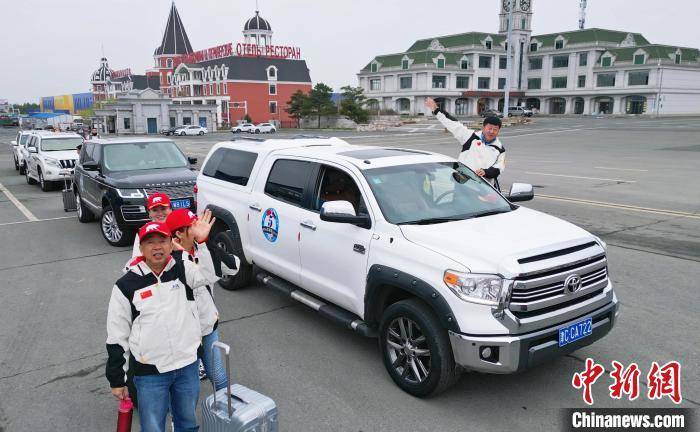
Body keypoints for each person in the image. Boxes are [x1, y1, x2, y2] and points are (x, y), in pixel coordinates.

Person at [106, 219, 218, 432]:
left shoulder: (183, 269)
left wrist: (203, 242)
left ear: (170, 243)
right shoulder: (125, 285)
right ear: (141, 248)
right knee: (153, 427)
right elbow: (116, 335)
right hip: (150, 373)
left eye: (162, 241)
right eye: (150, 242)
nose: (157, 247)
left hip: (187, 366)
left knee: (187, 424)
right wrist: (117, 379)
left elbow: (209, 275)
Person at [166, 209, 239, 392]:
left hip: (207, 324)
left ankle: (226, 415)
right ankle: (183, 419)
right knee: (187, 384)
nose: (199, 227)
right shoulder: (167, 261)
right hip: (183, 332)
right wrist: (181, 254)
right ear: (178, 234)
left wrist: (208, 243)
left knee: (218, 374)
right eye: (193, 226)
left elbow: (234, 267)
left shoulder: (204, 248)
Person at [425, 97, 506, 190]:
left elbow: (499, 168)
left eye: (495, 129)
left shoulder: (500, 149)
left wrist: (486, 172)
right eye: (489, 128)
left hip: (483, 189)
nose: (491, 131)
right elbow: (453, 124)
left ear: (498, 131)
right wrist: (436, 109)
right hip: (462, 186)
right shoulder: (470, 137)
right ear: (483, 128)